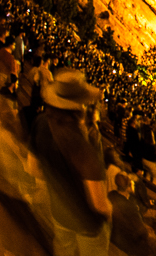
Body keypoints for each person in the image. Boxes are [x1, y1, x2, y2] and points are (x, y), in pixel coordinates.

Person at [30, 69, 112, 256]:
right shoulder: (86, 146)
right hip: (88, 225)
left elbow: (33, 169)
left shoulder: (41, 122)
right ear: (80, 106)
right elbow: (99, 204)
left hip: (59, 214)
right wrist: (110, 211)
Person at [109, 171, 151, 255]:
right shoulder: (130, 206)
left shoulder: (111, 195)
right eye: (132, 183)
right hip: (129, 243)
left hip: (114, 235)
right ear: (128, 187)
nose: (134, 184)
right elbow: (141, 230)